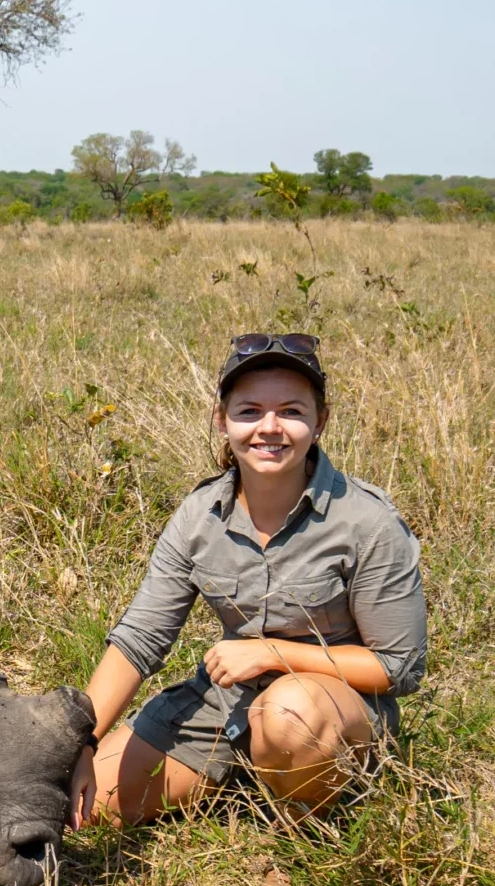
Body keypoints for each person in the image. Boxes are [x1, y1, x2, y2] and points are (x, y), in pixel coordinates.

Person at [69, 333, 426, 846]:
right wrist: (81, 739)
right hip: (225, 704)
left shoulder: (367, 522)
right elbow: (140, 639)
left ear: (320, 421)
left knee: (288, 716)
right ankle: (243, 778)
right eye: (250, 411)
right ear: (222, 419)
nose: (269, 428)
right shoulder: (199, 515)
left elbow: (398, 667)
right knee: (76, 804)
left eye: (291, 411)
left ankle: (306, 836)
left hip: (330, 711)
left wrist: (272, 653)